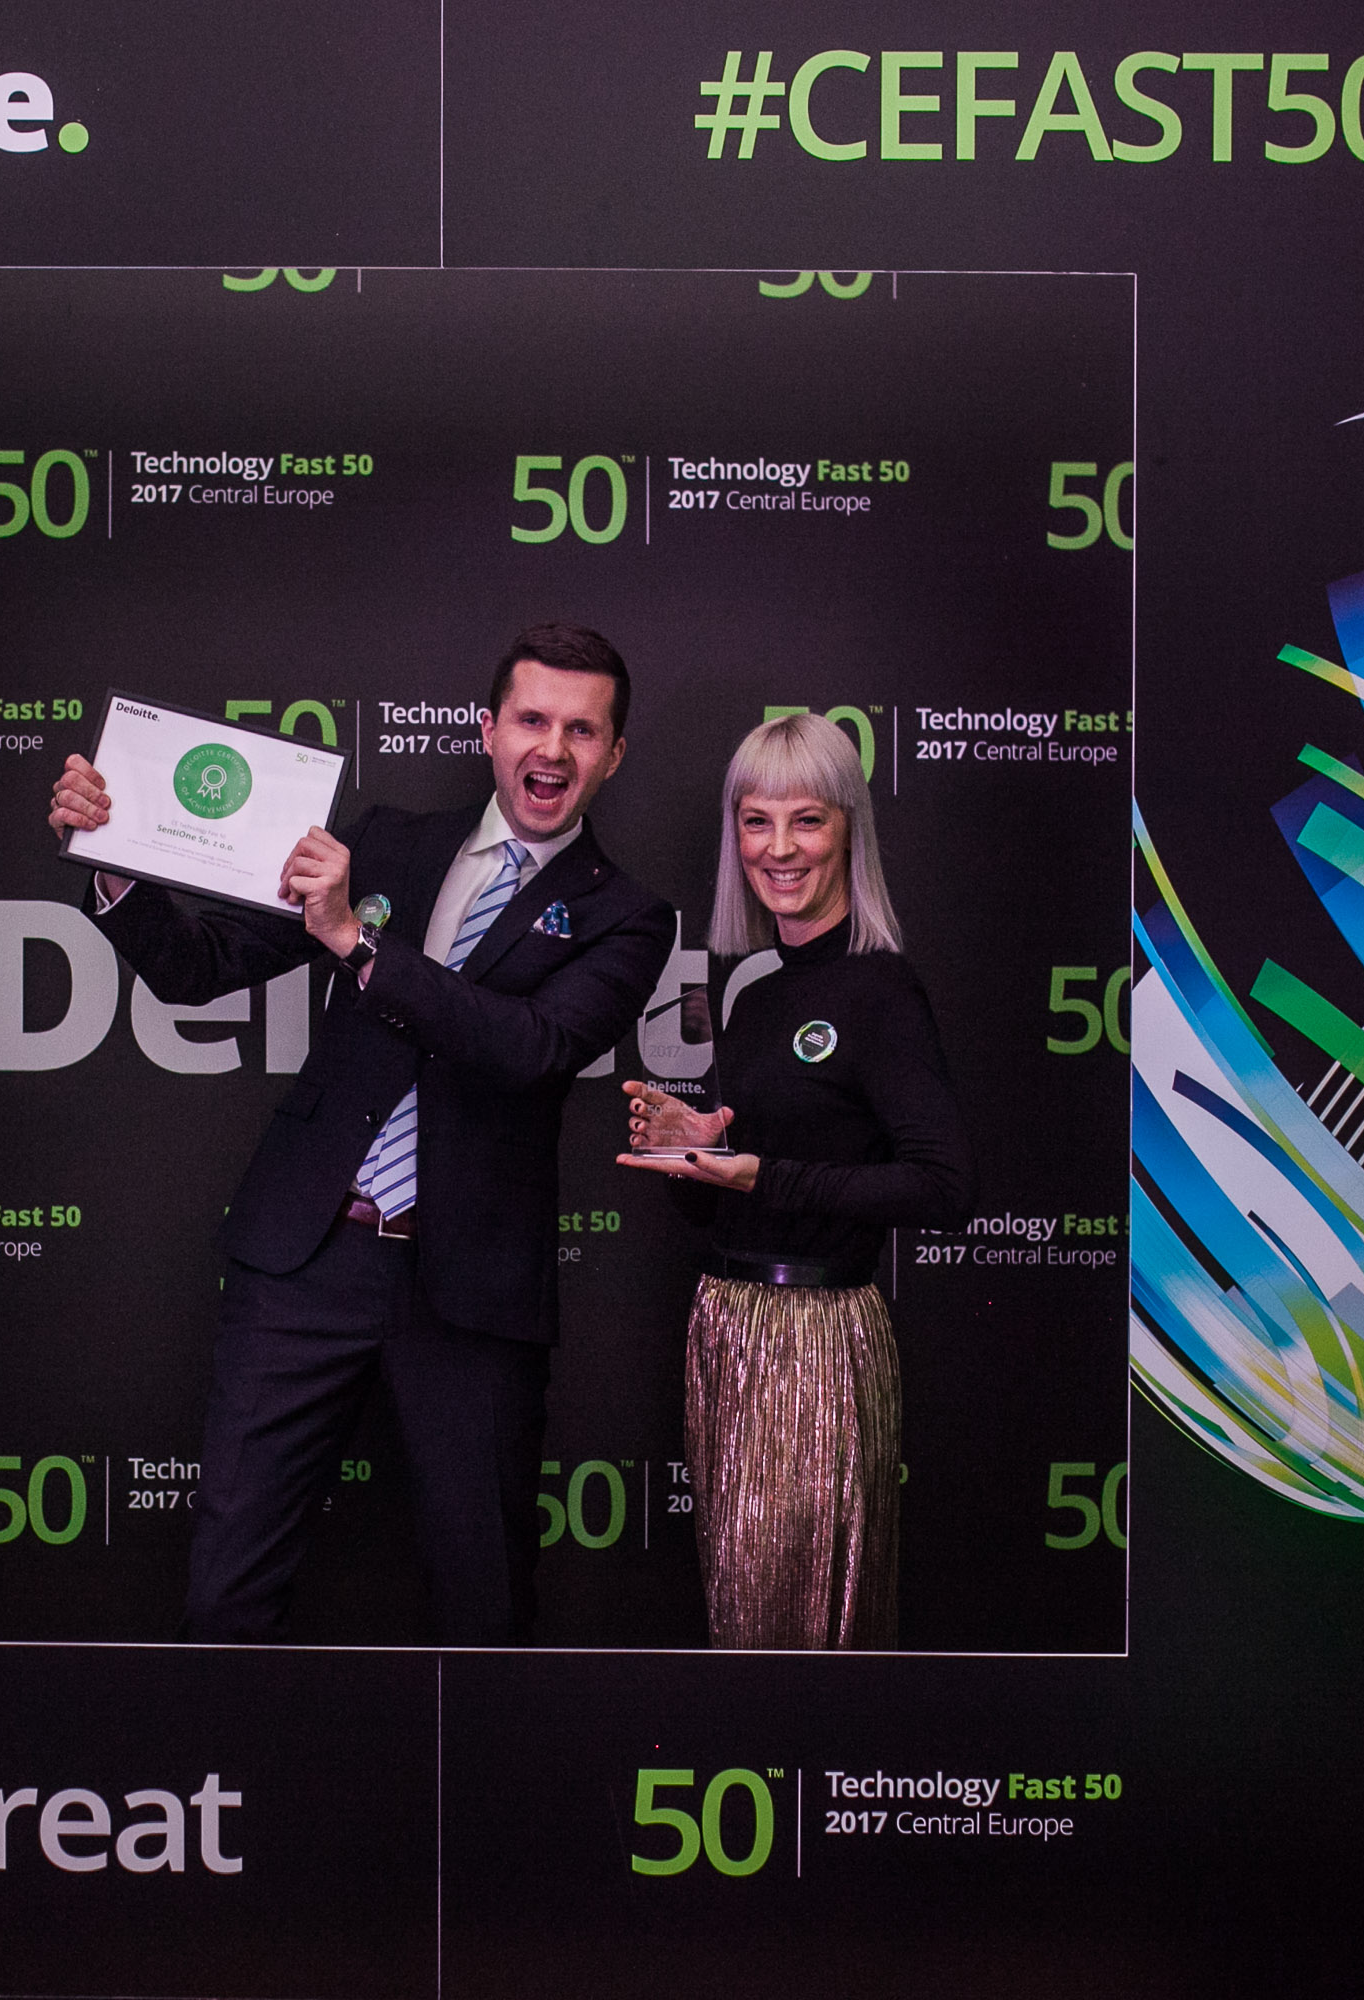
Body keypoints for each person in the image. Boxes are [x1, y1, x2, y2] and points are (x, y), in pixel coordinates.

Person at [48, 623, 676, 1644]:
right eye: (531, 720)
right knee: (225, 1598)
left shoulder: (629, 917)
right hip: (306, 1258)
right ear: (488, 731)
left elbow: (529, 1046)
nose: (552, 749)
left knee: (485, 1610)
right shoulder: (386, 843)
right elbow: (200, 966)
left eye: (582, 730)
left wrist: (358, 939)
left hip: (470, 1290)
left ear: (614, 754)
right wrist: (116, 859)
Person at [618, 710, 971, 1649]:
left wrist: (762, 1175)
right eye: (757, 821)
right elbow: (722, 1206)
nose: (779, 849)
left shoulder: (881, 989)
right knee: (742, 1616)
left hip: (819, 1345)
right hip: (727, 1333)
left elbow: (943, 1186)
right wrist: (691, 1152)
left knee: (806, 1630)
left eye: (807, 820)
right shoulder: (755, 987)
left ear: (850, 830)